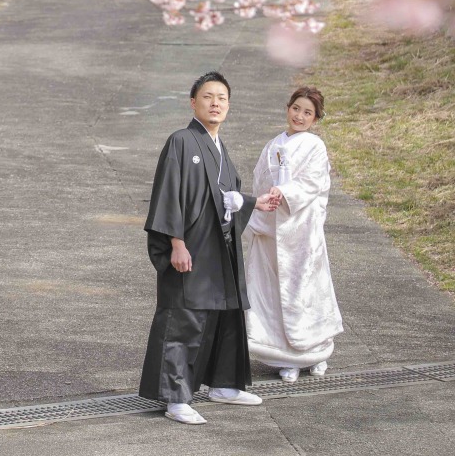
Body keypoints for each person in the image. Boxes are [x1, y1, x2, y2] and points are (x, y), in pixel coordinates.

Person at [139, 71, 281, 424]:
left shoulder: (220, 148)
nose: (215, 103)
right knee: (184, 318)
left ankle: (223, 384)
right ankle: (175, 397)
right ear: (193, 102)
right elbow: (170, 193)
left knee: (225, 315)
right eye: (207, 96)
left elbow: (223, 198)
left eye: (222, 98)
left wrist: (248, 202)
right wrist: (176, 242)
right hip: (191, 246)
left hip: (221, 248)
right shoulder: (182, 141)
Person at [245, 85, 343, 383]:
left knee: (305, 292)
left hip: (301, 234)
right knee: (271, 292)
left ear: (315, 118)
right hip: (272, 228)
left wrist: (284, 192)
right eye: (296, 108)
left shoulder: (314, 147)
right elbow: (259, 180)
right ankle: (283, 354)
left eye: (308, 112)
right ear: (288, 108)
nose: (299, 116)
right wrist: (263, 202)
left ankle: (314, 352)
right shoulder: (272, 144)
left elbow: (312, 184)